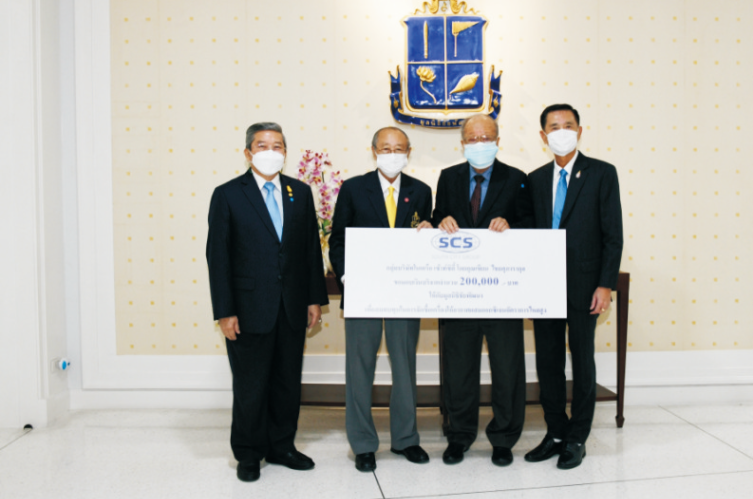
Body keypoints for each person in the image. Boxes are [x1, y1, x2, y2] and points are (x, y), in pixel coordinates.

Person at [206, 122, 329, 482]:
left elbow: (310, 250)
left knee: (287, 383)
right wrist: (225, 311)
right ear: (248, 153)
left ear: (285, 153)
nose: (270, 151)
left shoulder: (299, 192)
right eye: (262, 145)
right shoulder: (228, 194)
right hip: (247, 309)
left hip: (291, 306)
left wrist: (314, 300)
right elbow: (218, 257)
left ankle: (282, 446)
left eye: (277, 145)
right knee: (251, 386)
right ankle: (248, 453)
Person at [523, 104, 623, 469]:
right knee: (548, 363)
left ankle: (578, 437)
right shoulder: (534, 179)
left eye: (568, 125)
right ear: (543, 135)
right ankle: (555, 432)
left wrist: (605, 285)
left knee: (582, 362)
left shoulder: (602, 173)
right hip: (544, 286)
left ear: (580, 131)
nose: (561, 131)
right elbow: (527, 234)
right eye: (554, 126)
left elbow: (613, 235)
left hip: (585, 286)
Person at [329, 127, 434, 472]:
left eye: (399, 148)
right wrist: (347, 277)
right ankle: (362, 443)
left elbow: (426, 236)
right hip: (364, 291)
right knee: (360, 367)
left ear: (409, 152)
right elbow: (338, 240)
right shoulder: (353, 188)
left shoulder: (421, 191)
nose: (392, 154)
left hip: (405, 291)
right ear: (374, 151)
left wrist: (429, 232)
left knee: (405, 365)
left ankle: (406, 439)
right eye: (386, 148)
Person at [432, 114, 531, 467]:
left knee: (507, 369)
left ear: (498, 141)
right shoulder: (448, 177)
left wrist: (512, 225)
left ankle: (504, 438)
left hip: (502, 293)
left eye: (486, 137)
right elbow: (436, 216)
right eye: (472, 138)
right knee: (458, 370)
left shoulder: (517, 179)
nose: (479, 143)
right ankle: (459, 436)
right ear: (462, 143)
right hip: (459, 293)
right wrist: (440, 221)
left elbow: (531, 224)